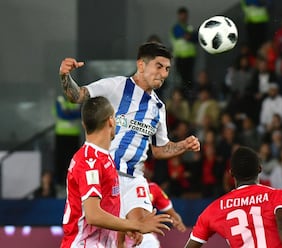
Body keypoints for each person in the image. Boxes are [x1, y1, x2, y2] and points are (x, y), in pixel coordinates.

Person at [59, 42, 200, 247]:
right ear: (141, 65)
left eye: (168, 69)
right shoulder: (116, 86)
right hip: (107, 174)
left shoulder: (158, 107)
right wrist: (65, 76)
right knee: (120, 235)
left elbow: (159, 150)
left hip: (134, 179)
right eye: (159, 66)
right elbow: (78, 95)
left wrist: (183, 145)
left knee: (142, 235)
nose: (163, 73)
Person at [61, 96, 172, 248]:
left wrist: (126, 227)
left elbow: (108, 207)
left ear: (84, 124)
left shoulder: (104, 157)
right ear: (111, 121)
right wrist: (135, 225)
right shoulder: (89, 161)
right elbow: (93, 216)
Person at [185, 146, 282, 248]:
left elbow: (193, 244)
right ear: (259, 169)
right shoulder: (278, 196)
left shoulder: (213, 209)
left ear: (231, 173)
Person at [125, 180, 186, 247]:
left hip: (146, 235)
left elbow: (172, 214)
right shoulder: (118, 187)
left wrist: (177, 220)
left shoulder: (152, 188)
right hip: (120, 232)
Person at [53, 95, 82, 186]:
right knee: (60, 160)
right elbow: (61, 114)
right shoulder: (60, 100)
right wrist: (72, 114)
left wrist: (67, 112)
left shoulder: (78, 101)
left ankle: (72, 182)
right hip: (61, 135)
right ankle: (60, 182)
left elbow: (79, 114)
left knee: (73, 161)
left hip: (74, 135)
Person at [170, 6, 198, 86]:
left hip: (191, 56)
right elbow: (187, 36)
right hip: (180, 57)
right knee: (181, 79)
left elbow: (195, 38)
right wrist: (192, 36)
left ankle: (189, 95)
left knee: (189, 78)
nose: (184, 17)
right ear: (178, 16)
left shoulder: (189, 27)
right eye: (182, 15)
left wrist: (192, 36)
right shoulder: (176, 28)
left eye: (185, 15)